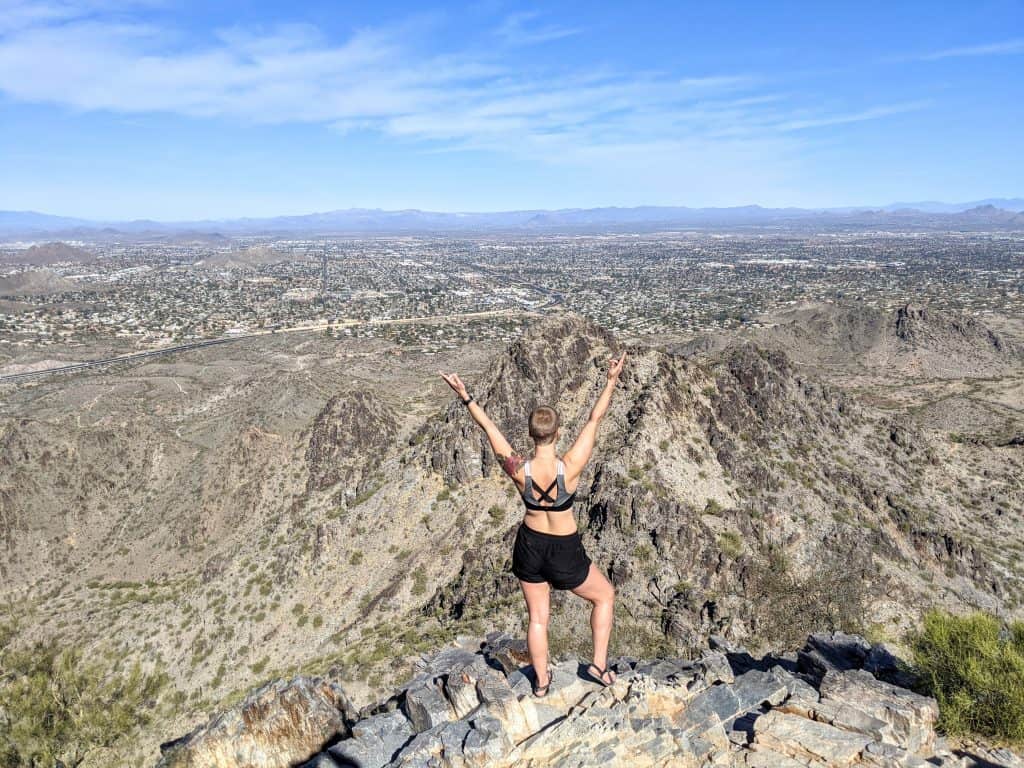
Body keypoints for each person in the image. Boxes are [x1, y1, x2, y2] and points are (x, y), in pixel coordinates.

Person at [440, 351, 626, 696]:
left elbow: (489, 428)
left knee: (538, 618)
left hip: (529, 545)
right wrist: (611, 379)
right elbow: (594, 420)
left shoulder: (518, 469)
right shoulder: (568, 467)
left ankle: (541, 682)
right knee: (604, 597)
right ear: (556, 434)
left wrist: (465, 395)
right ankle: (598, 666)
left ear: (531, 435)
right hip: (564, 549)